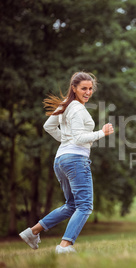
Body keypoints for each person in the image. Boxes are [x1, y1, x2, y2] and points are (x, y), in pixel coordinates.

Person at [19, 72, 114, 253]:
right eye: (83, 88)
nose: (88, 92)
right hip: (76, 159)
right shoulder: (77, 108)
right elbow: (78, 138)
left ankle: (32, 232)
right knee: (85, 206)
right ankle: (65, 246)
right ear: (74, 88)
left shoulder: (66, 105)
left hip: (61, 160)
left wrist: (65, 139)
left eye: (90, 88)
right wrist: (102, 132)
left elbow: (49, 126)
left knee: (71, 205)